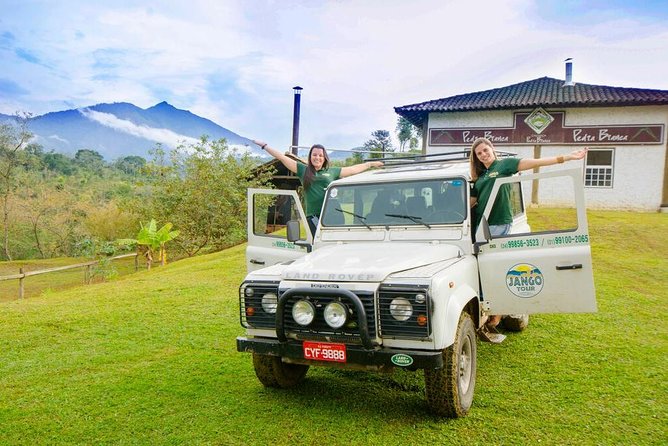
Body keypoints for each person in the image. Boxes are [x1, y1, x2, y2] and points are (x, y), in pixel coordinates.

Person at [468, 137, 587, 330]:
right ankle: (489, 308)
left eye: (485, 150)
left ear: (492, 148)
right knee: (483, 268)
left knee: (494, 267)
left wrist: (568, 157)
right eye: (479, 153)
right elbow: (472, 202)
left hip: (499, 223)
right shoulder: (480, 177)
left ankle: (497, 314)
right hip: (482, 225)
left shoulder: (504, 165)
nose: (483, 154)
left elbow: (535, 163)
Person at [252, 140, 383, 235]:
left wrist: (370, 164)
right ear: (310, 156)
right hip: (313, 216)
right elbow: (281, 157)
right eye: (314, 155)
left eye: (320, 155)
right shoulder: (303, 170)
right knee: (317, 246)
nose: (317, 157)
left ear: (324, 158)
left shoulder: (332, 171)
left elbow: (353, 169)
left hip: (333, 215)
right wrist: (264, 145)